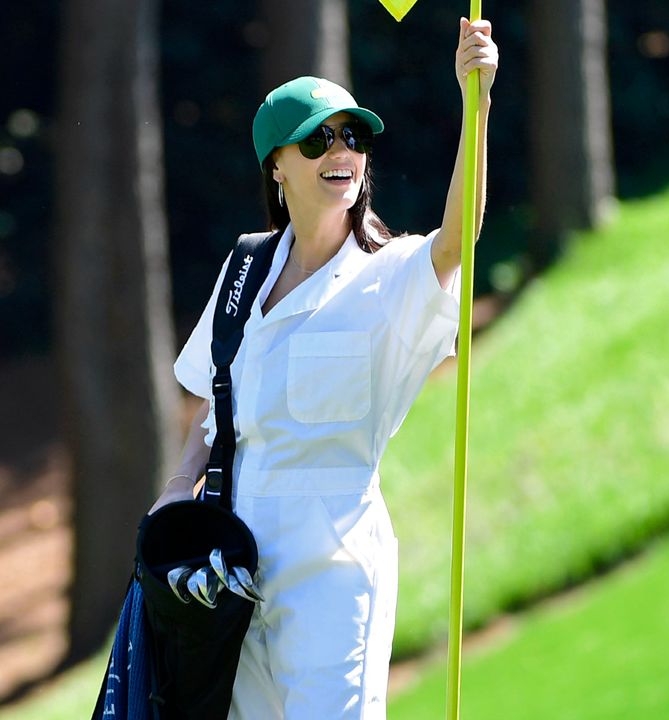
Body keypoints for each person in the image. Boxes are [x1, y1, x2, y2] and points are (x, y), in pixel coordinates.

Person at [147, 18, 498, 719]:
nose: (340, 152)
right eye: (316, 140)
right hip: (233, 570)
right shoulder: (245, 268)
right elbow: (215, 415)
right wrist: (174, 500)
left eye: (352, 137)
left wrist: (477, 102)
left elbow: (458, 239)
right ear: (275, 165)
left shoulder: (391, 273)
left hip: (333, 573)